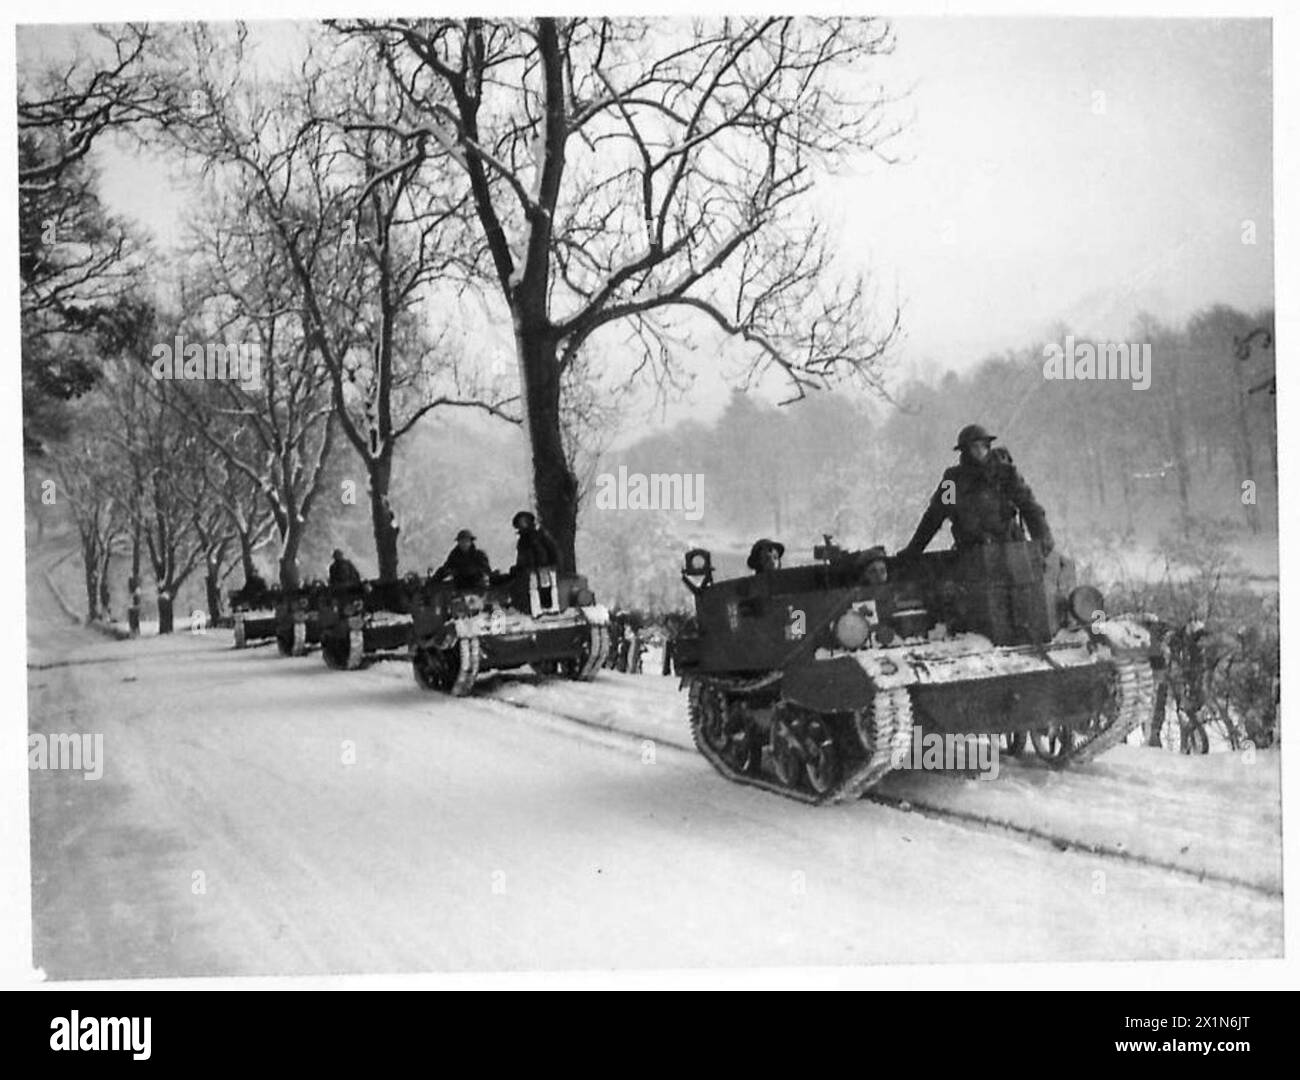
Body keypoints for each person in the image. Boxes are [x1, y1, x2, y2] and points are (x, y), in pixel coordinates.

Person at [898, 424, 1053, 559]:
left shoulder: (1005, 474)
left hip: (1008, 549)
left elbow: (1029, 506)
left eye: (983, 446)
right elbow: (934, 516)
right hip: (972, 552)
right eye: (974, 447)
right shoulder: (953, 481)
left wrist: (1042, 538)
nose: (980, 451)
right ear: (965, 451)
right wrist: (914, 549)